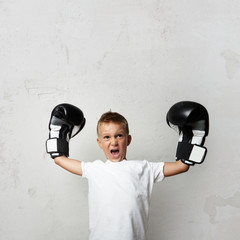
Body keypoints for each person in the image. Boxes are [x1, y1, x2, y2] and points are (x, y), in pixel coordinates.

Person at [46, 102, 209, 240]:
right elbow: (60, 159)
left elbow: (182, 165)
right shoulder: (95, 169)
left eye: (119, 136)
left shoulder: (144, 168)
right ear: (99, 143)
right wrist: (59, 134)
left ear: (128, 139)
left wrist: (190, 137)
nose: (113, 142)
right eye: (107, 137)